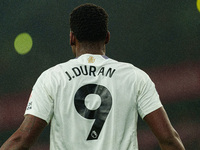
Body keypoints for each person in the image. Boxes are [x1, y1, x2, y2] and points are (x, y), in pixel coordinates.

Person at [0, 3, 185, 150]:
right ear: (107, 37)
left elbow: (22, 140)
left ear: (72, 38)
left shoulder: (52, 78)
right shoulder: (135, 77)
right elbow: (168, 139)